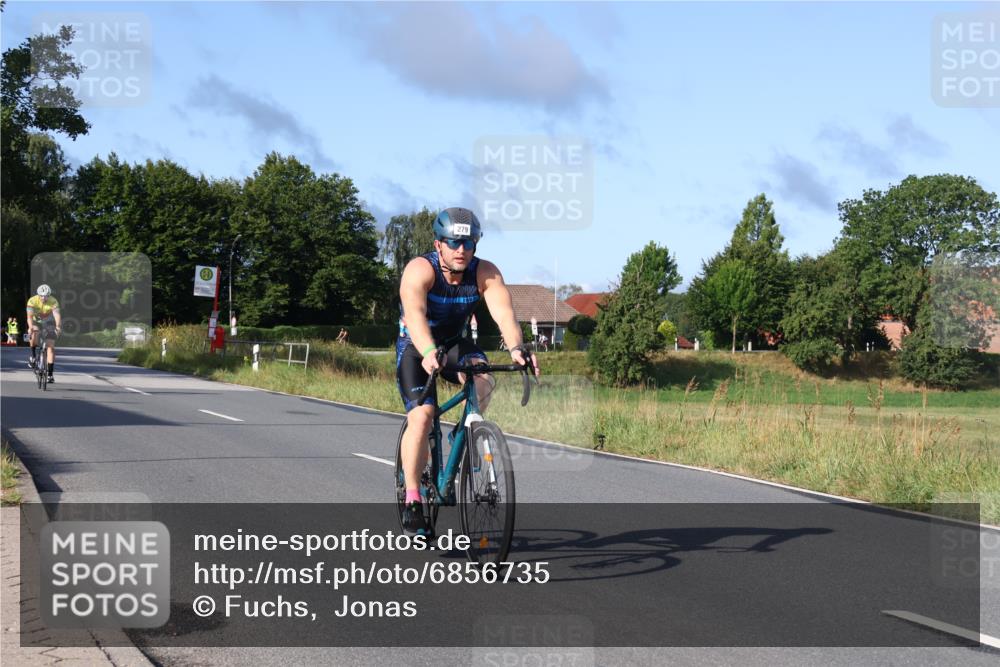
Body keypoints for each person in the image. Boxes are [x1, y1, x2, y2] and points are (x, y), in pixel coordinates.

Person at [396, 207, 539, 535]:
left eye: (469, 243)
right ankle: (414, 497)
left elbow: (505, 315)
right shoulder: (420, 270)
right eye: (454, 242)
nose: (462, 250)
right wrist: (429, 352)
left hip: (455, 343)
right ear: (438, 244)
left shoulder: (485, 273)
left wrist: (517, 348)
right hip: (416, 345)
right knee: (422, 416)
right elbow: (415, 316)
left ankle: (467, 425)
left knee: (484, 377)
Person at [26, 284, 62, 383]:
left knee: (50, 347)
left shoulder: (53, 301)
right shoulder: (32, 301)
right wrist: (30, 328)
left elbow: (57, 315)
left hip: (48, 322)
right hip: (35, 321)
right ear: (38, 295)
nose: (43, 298)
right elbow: (29, 317)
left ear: (49, 295)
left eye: (46, 296)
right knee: (34, 332)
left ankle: (50, 375)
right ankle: (33, 356)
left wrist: (58, 327)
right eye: (41, 295)